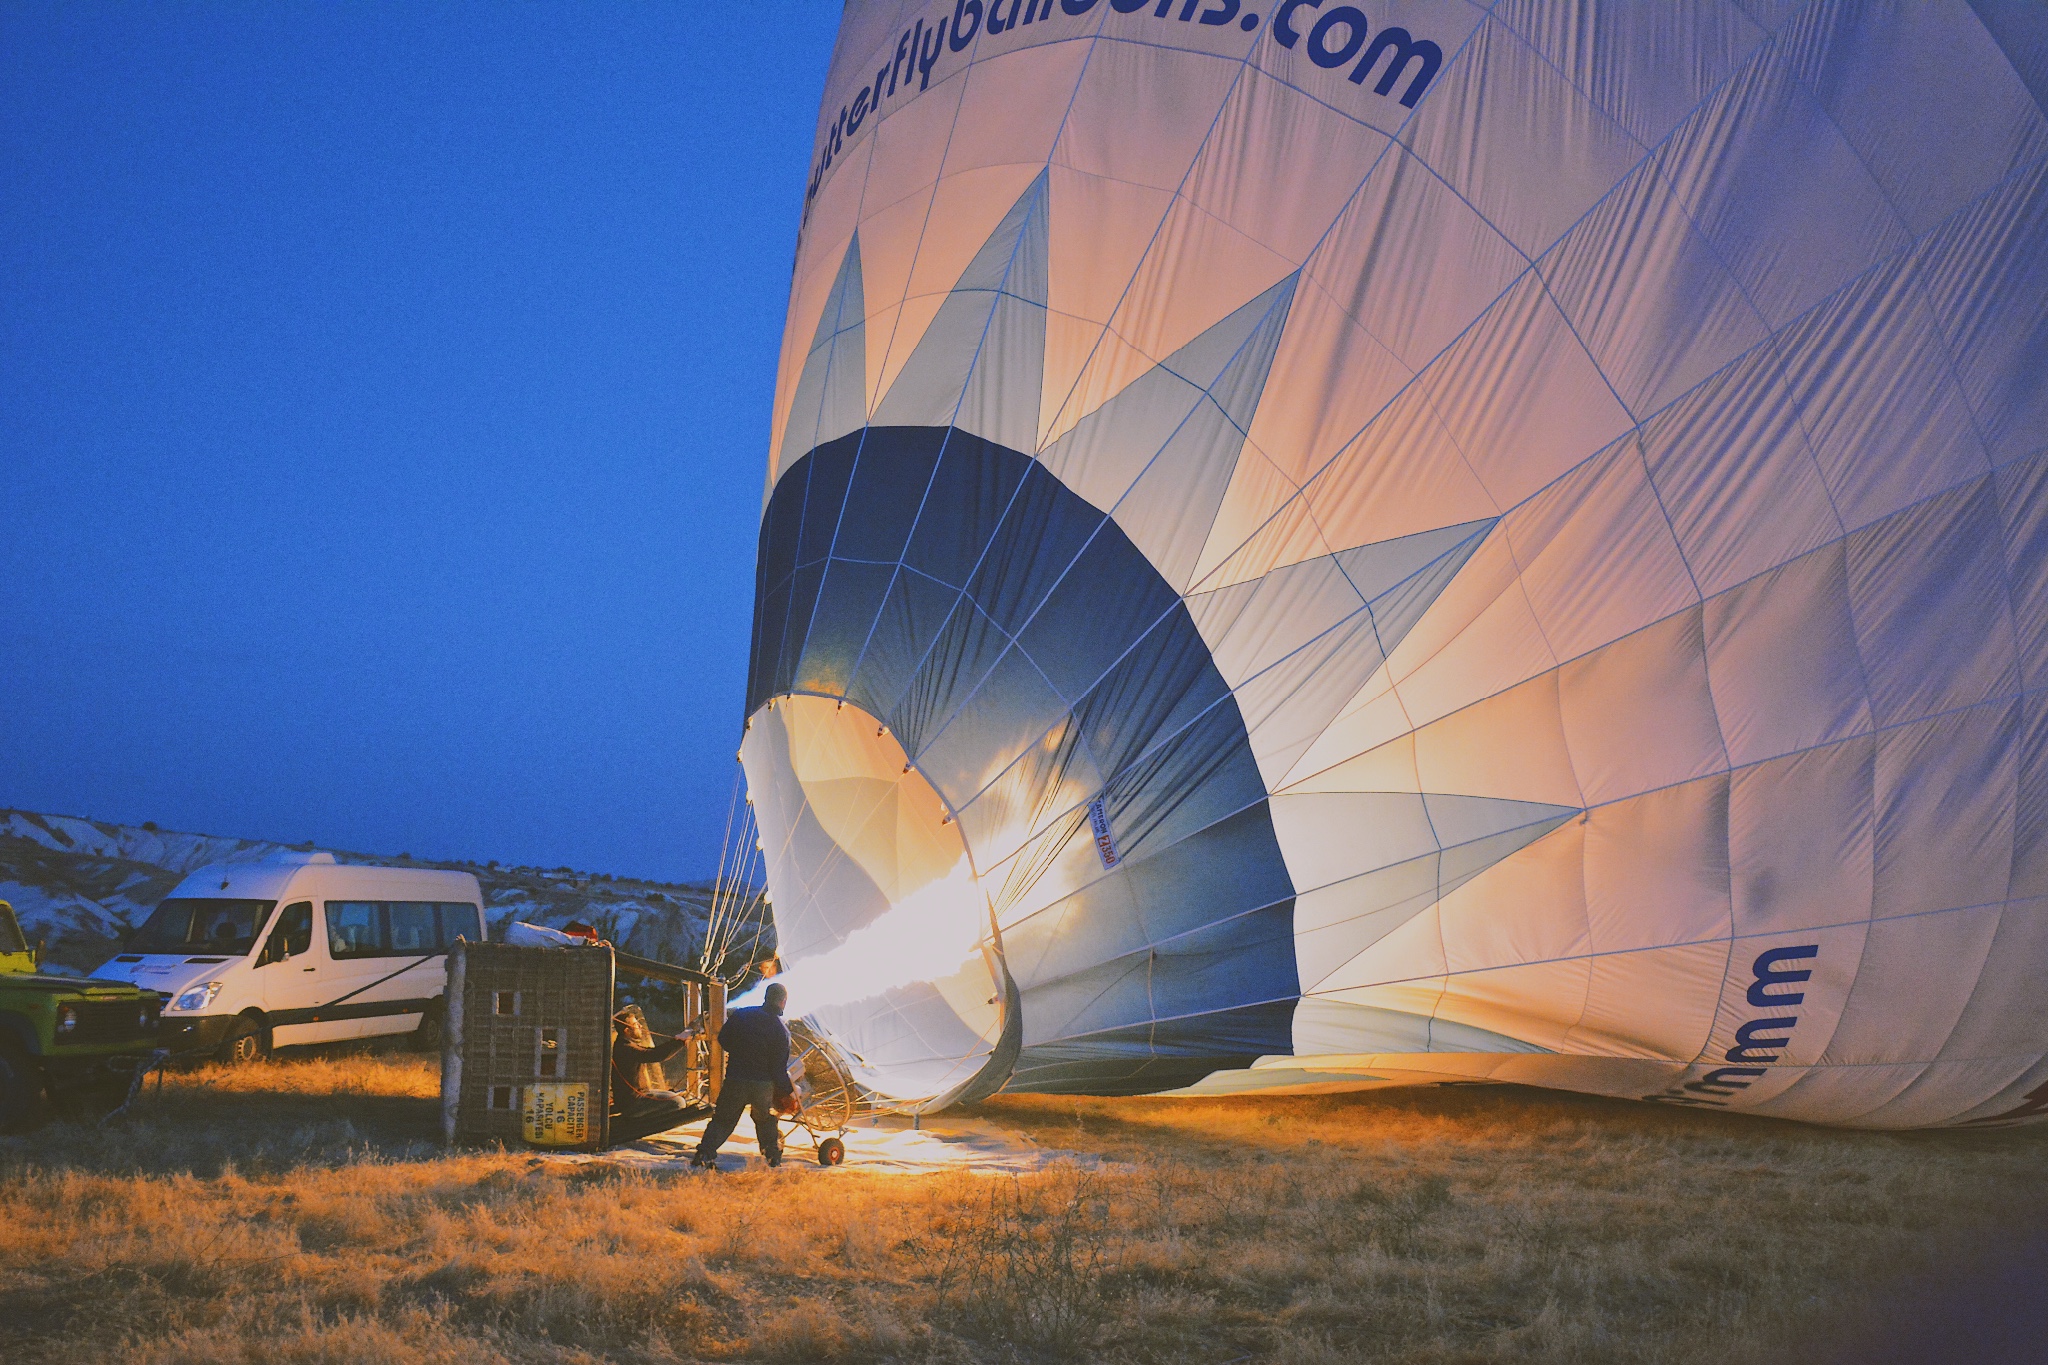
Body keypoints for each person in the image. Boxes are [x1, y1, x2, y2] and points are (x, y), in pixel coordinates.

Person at [691, 981, 795, 1169]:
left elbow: (723, 1039)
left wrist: (739, 1054)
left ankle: (704, 1154)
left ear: (765, 997)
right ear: (783, 1002)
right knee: (765, 1120)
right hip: (762, 1085)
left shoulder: (742, 1015)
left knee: (723, 1119)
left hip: (736, 1079)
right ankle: (772, 1157)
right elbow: (778, 1068)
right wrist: (788, 1091)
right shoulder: (781, 1031)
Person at [609, 1006, 711, 1144]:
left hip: (637, 1097)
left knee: (676, 1097)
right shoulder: (626, 1048)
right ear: (627, 1030)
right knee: (678, 1103)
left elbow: (653, 1052)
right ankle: (638, 1121)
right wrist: (683, 1037)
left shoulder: (625, 1044)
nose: (640, 1026)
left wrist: (682, 1037)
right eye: (636, 1025)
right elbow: (656, 1055)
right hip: (633, 1104)